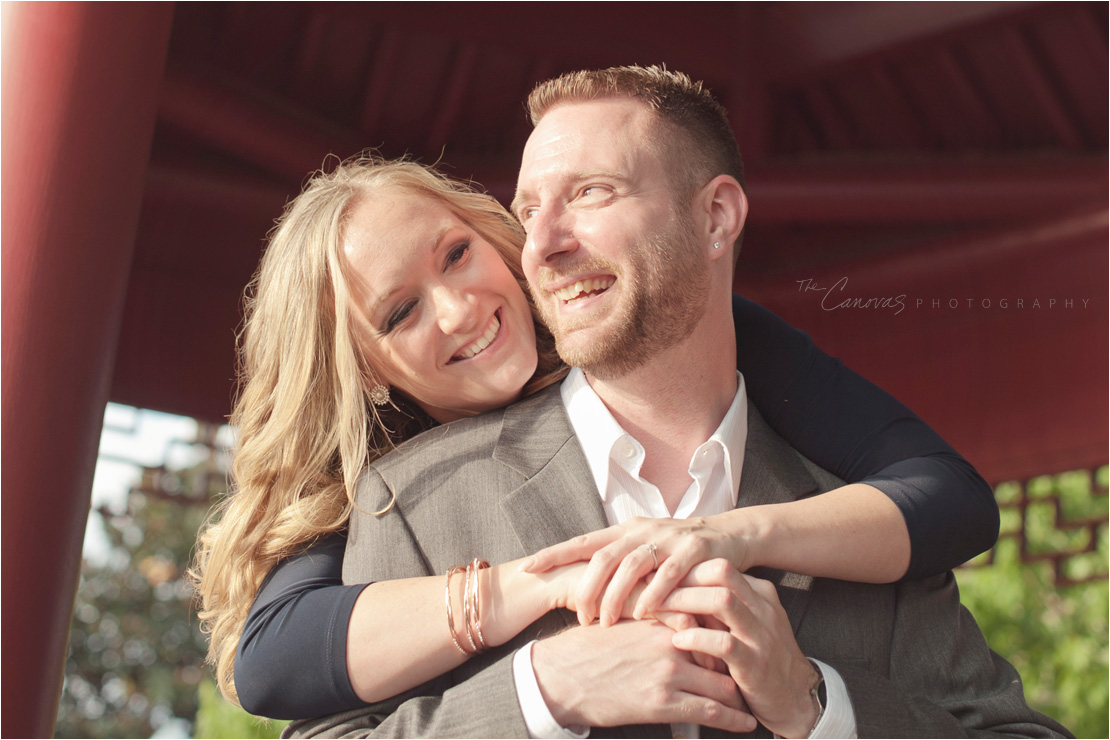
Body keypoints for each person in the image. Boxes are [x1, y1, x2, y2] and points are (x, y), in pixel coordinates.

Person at [288, 66, 1069, 738]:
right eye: (528, 211)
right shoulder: (414, 501)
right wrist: (537, 697)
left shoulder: (859, 524)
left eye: (590, 192)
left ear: (716, 217)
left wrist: (815, 705)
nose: (544, 243)